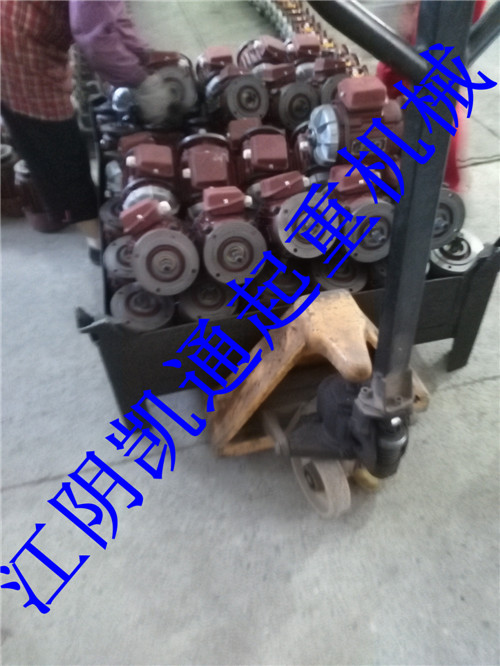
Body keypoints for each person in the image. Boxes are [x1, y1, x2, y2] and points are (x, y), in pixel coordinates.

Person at [0, 0, 170, 262]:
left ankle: (76, 211)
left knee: (51, 136)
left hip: (25, 26)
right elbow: (94, 40)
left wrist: (142, 56)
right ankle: (97, 241)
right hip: (15, 41)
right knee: (57, 147)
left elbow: (112, 14)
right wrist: (139, 79)